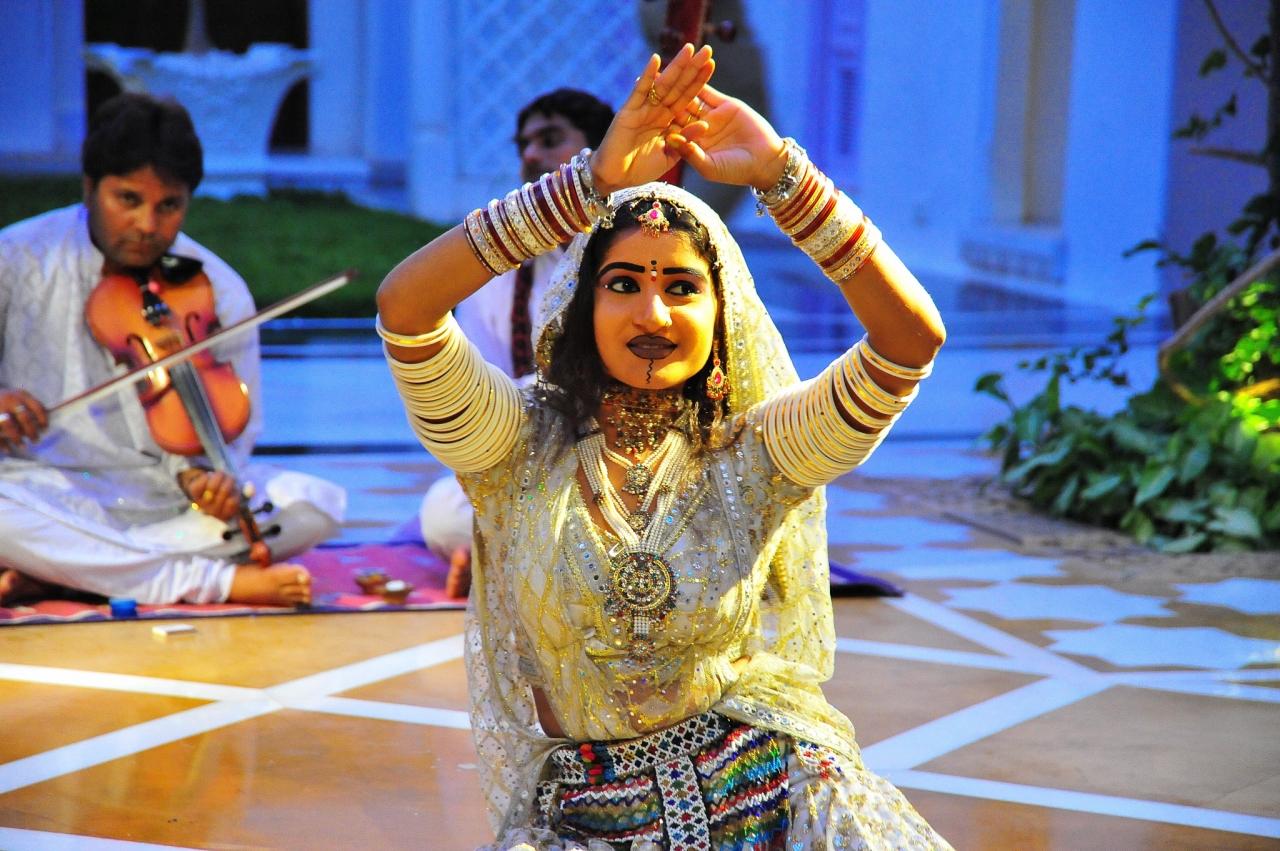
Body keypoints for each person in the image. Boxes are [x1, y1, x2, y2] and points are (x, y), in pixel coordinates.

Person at [378, 45, 951, 849]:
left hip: (763, 791)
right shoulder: (515, 443)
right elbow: (405, 309)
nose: (653, 313)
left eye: (682, 287)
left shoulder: (758, 451)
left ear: (722, 314)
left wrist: (783, 178)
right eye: (624, 285)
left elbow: (908, 342)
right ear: (583, 305)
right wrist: (586, 187)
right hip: (587, 817)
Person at [0, 92, 345, 608]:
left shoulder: (218, 290)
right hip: (40, 487)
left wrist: (209, 478)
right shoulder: (16, 258)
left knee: (313, 507)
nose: (147, 226)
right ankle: (210, 582)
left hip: (162, 501)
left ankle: (67, 572)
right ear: (89, 187)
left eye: (169, 206)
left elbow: (237, 433)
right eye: (128, 200)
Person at [420, 88, 614, 597]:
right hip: (536, 460)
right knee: (441, 514)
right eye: (523, 145)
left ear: (599, 152)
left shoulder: (639, 245)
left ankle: (506, 554)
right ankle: (531, 553)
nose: (529, 155)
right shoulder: (496, 269)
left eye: (549, 140)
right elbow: (477, 398)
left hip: (637, 458)